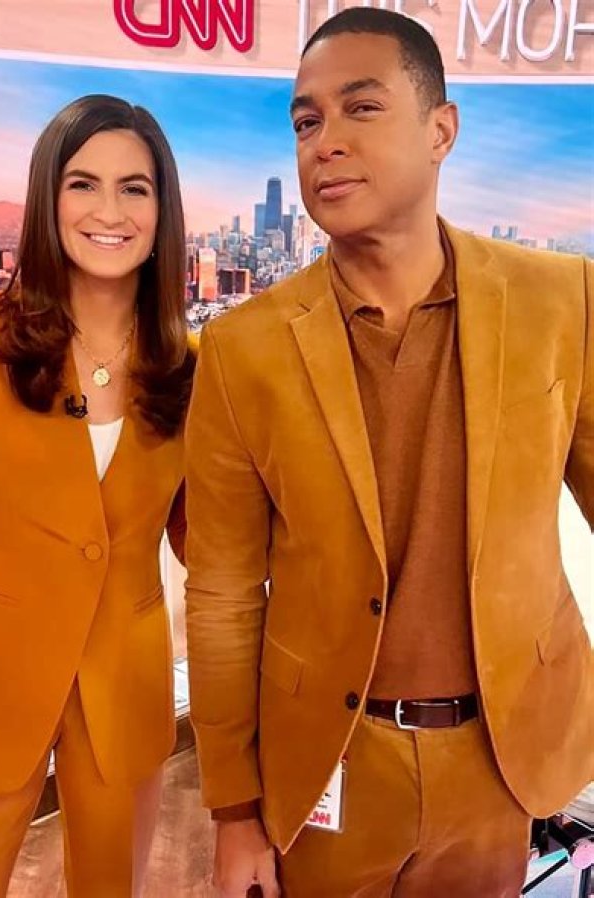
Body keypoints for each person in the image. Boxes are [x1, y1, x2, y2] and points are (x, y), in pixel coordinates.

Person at [184, 8, 593, 898]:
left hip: (501, 760)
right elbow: (222, 595)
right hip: (329, 762)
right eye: (306, 121)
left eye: (361, 108)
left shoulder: (563, 300)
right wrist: (234, 812)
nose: (325, 142)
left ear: (441, 130)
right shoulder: (243, 348)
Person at [0, 94, 195, 898]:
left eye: (135, 189)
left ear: (162, 212)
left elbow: (204, 538)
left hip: (123, 693)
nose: (110, 211)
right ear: (47, 198)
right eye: (82, 184)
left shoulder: (190, 365)